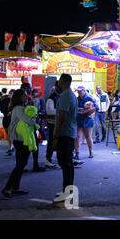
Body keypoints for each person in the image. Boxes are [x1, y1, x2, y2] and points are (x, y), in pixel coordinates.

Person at [1, 89, 36, 198]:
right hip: (20, 139)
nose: (26, 97)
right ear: (19, 97)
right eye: (24, 96)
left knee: (20, 164)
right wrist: (34, 119)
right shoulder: (18, 109)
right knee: (21, 165)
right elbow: (28, 120)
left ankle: (15, 188)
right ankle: (7, 188)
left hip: (20, 139)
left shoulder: (18, 108)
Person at [51, 74, 79, 203]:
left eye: (59, 82)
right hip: (70, 132)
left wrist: (55, 136)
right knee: (67, 164)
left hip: (65, 133)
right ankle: (67, 191)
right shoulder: (71, 95)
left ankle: (67, 193)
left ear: (62, 82)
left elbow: (61, 117)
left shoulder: (65, 96)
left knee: (65, 163)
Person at [21, 83, 45, 172]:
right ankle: (25, 166)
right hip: (28, 125)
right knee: (29, 146)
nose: (30, 90)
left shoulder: (27, 99)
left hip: (28, 125)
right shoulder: (26, 99)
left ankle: (30, 165)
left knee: (31, 146)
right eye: (29, 88)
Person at [75, 86, 97, 160]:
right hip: (78, 119)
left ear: (84, 91)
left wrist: (88, 111)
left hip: (87, 120)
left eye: (80, 91)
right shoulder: (76, 99)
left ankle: (91, 152)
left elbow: (96, 108)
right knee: (77, 137)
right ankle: (77, 153)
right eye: (78, 91)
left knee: (88, 136)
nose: (79, 92)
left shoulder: (89, 98)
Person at [45, 83, 60, 168]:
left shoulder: (59, 96)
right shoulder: (51, 98)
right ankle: (48, 160)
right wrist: (61, 111)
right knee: (51, 141)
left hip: (58, 122)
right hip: (52, 123)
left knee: (58, 142)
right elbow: (50, 111)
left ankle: (57, 160)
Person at [0, 88, 13, 156]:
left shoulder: (17, 102)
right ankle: (11, 147)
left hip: (13, 120)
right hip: (7, 120)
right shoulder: (4, 101)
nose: (11, 95)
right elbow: (1, 109)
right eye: (10, 93)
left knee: (11, 134)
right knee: (9, 134)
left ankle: (11, 147)